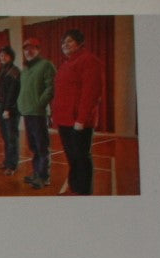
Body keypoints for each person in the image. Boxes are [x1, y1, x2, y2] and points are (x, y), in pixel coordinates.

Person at [52, 28, 106, 194]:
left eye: (69, 41)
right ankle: (75, 185)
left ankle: (83, 191)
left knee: (81, 158)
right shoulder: (65, 64)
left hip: (78, 122)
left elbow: (90, 93)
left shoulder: (89, 60)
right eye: (63, 42)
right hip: (64, 120)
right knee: (72, 157)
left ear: (80, 42)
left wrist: (81, 120)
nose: (65, 45)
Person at [17, 37, 57, 188]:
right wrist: (21, 105)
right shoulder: (25, 70)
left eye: (32, 48)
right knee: (33, 147)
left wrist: (40, 104)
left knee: (42, 146)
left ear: (38, 50)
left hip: (39, 113)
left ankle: (44, 177)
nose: (28, 51)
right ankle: (36, 173)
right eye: (26, 49)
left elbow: (51, 88)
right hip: (27, 112)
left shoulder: (46, 65)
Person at [0, 46, 22, 175]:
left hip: (10, 110)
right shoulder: (1, 69)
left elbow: (13, 92)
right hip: (1, 109)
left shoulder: (15, 71)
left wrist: (7, 109)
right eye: (0, 55)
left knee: (12, 138)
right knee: (6, 138)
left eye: (5, 55)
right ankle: (7, 161)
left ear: (11, 56)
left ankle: (13, 165)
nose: (2, 57)